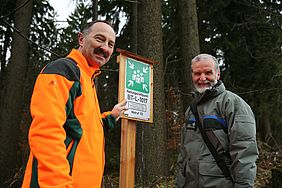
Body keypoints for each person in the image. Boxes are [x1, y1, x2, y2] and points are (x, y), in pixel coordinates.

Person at [22, 20, 127, 188]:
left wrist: (110, 117)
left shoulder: (88, 78)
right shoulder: (64, 70)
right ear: (81, 39)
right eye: (99, 39)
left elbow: (83, 127)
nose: (105, 48)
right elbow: (46, 132)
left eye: (110, 44)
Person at [176, 54, 259, 188]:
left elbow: (244, 152)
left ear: (218, 74)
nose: (202, 78)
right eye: (197, 73)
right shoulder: (191, 110)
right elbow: (184, 154)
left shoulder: (233, 104)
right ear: (192, 76)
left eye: (208, 73)